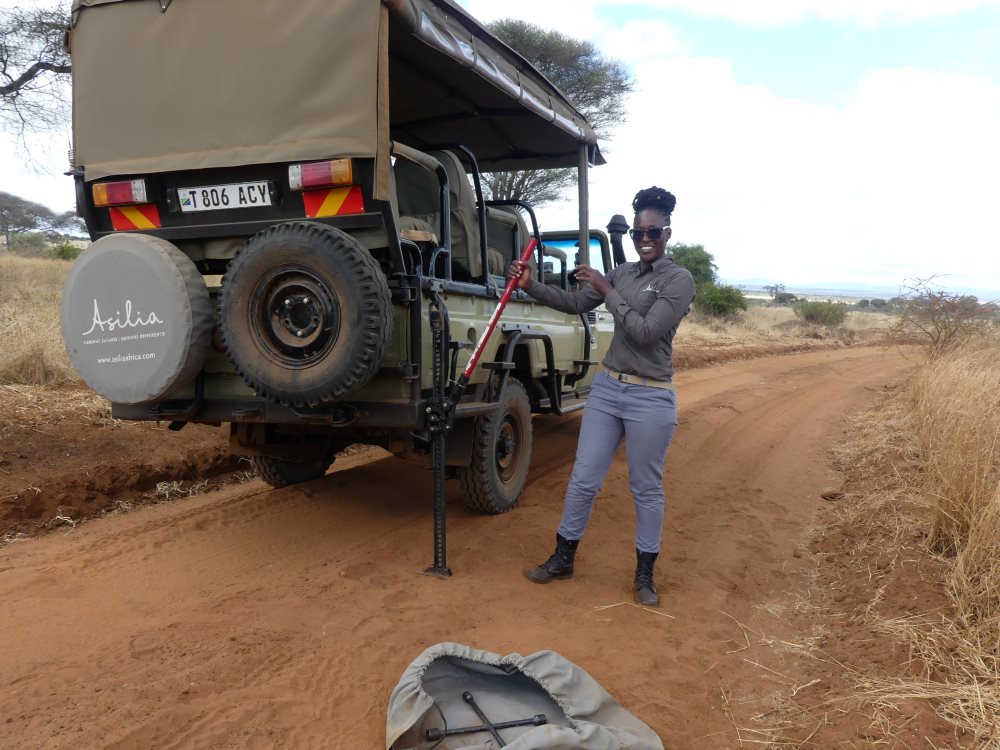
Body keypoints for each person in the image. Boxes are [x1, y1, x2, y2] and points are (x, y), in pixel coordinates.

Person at [507, 186, 695, 606]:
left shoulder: (677, 280)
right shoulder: (625, 274)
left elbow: (646, 333)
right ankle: (563, 558)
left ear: (667, 232)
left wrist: (605, 290)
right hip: (609, 389)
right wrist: (532, 285)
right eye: (637, 232)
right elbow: (574, 303)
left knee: (646, 488)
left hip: (650, 397)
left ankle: (644, 575)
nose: (645, 239)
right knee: (583, 479)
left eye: (653, 232)